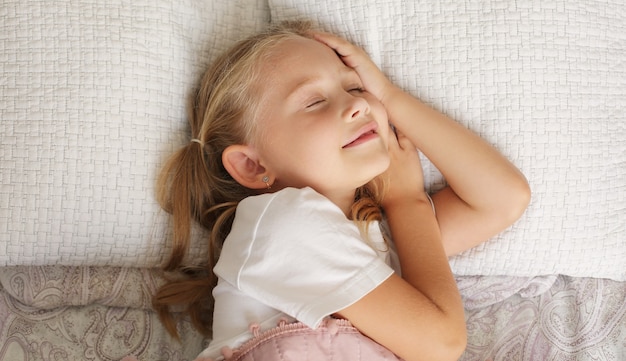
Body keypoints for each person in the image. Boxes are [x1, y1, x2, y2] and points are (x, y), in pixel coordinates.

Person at [153, 21, 531, 361]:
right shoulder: (281, 224)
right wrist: (408, 201)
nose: (357, 104)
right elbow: (440, 343)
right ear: (253, 165)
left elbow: (502, 198)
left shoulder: (378, 235)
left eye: (356, 87)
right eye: (314, 101)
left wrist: (390, 95)